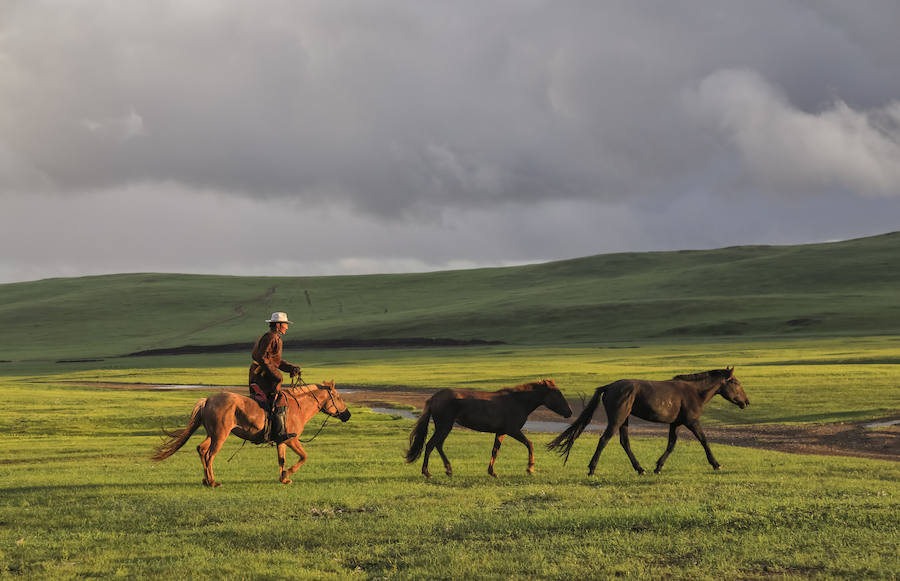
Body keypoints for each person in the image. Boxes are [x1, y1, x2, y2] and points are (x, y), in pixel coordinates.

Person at [249, 312, 301, 443]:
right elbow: (262, 357)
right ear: (278, 325)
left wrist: (291, 368)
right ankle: (278, 433)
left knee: (278, 397)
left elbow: (275, 361)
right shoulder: (271, 337)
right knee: (280, 399)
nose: (287, 327)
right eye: (285, 324)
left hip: (263, 373)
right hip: (260, 375)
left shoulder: (274, 337)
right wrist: (277, 375)